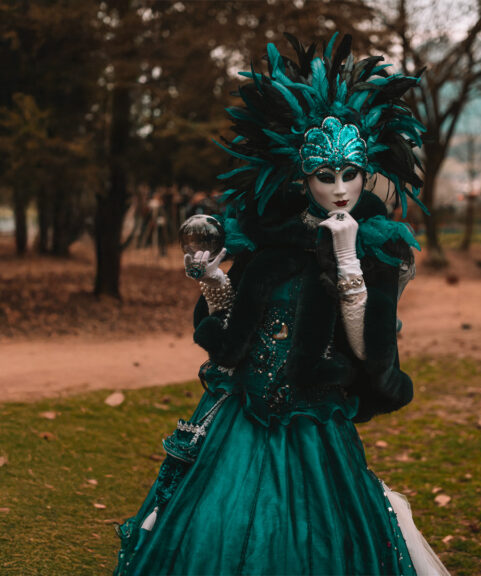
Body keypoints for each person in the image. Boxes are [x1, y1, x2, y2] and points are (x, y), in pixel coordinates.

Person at [114, 34, 448, 576]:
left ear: (367, 171)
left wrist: (346, 260)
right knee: (217, 534)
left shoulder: (379, 250)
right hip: (242, 417)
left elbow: (372, 353)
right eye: (325, 175)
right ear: (302, 174)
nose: (340, 188)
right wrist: (211, 278)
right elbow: (231, 335)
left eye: (351, 173)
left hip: (316, 425)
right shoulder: (271, 241)